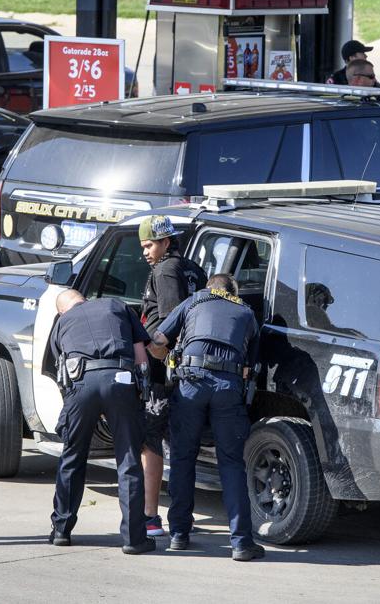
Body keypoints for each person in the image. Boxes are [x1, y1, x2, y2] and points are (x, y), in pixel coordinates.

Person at [150, 274, 264, 562]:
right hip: (228, 386)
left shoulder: (192, 302)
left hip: (191, 383)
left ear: (210, 289)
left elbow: (157, 341)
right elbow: (250, 367)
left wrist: (168, 359)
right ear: (233, 292)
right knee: (231, 464)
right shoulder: (247, 313)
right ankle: (241, 543)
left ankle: (178, 534)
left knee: (182, 457)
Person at [49, 289, 155, 555]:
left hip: (81, 383)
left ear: (62, 309)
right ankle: (133, 539)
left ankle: (61, 531)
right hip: (120, 377)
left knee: (72, 458)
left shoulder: (61, 322)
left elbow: (60, 369)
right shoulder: (117, 306)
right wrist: (138, 399)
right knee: (129, 459)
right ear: (82, 298)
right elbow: (141, 358)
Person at [138, 215, 206, 539]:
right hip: (189, 371)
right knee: (180, 444)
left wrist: (159, 355)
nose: (145, 253)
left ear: (166, 242)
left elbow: (170, 323)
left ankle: (150, 518)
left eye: (149, 245)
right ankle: (181, 520)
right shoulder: (195, 270)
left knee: (150, 439)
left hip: (162, 370)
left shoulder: (164, 270)